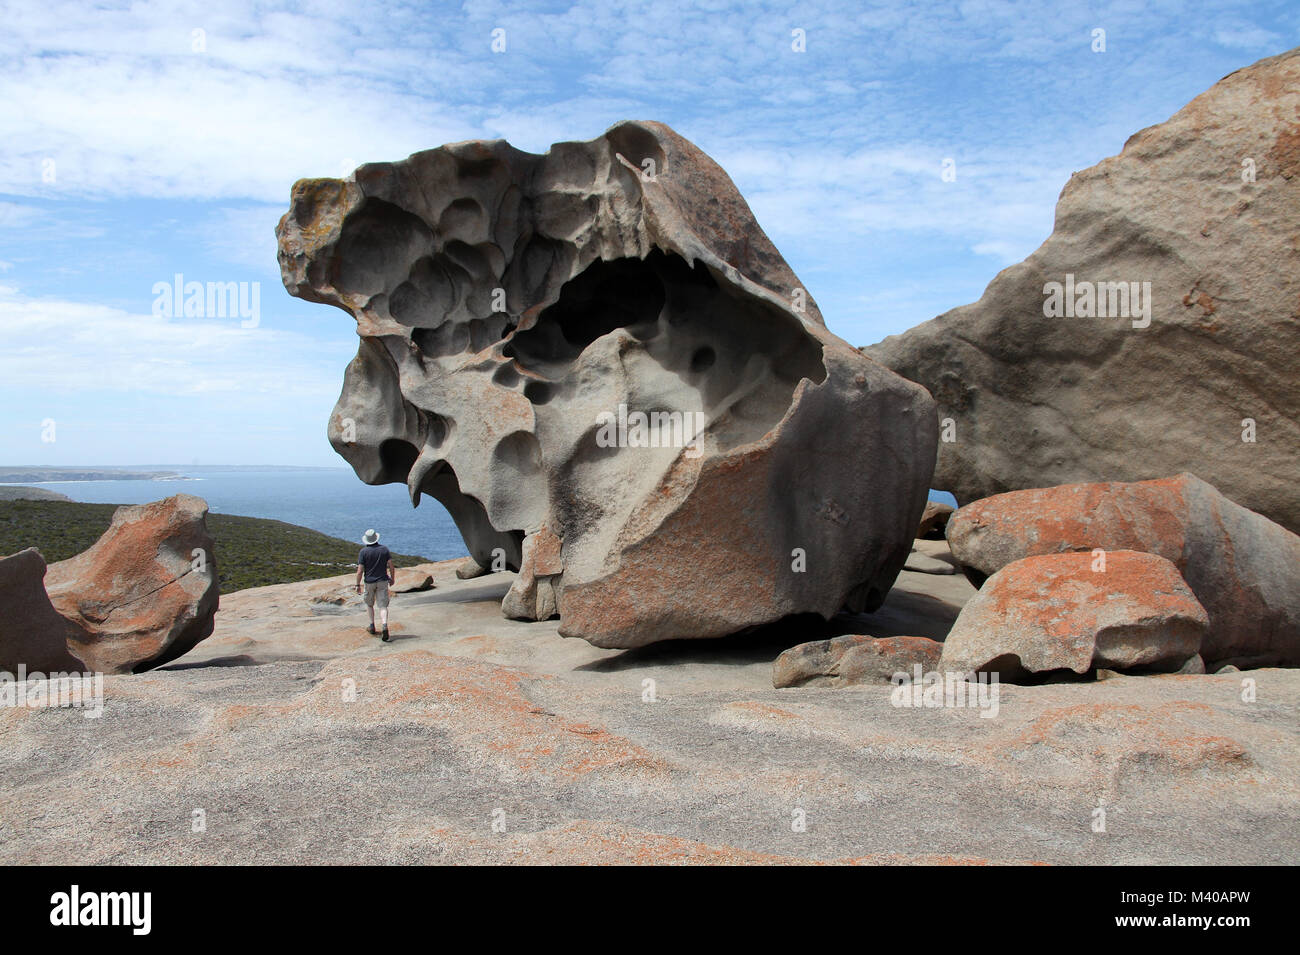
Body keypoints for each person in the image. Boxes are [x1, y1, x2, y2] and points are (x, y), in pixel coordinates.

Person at [356, 529, 396, 641]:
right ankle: (384, 625)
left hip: (369, 582)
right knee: (383, 606)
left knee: (369, 604)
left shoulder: (363, 552)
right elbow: (391, 566)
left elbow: (360, 571)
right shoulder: (384, 550)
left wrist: (357, 584)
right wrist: (392, 579)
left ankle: (372, 625)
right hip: (383, 581)